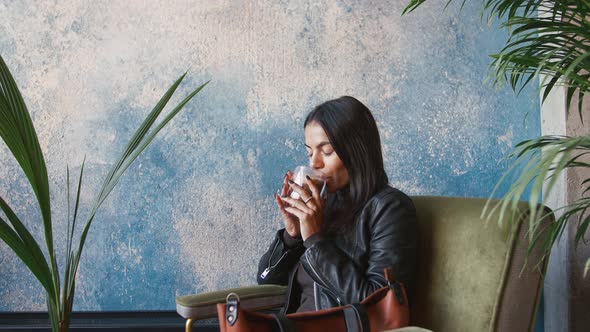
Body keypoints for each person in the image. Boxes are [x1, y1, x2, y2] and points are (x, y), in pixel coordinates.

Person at [257, 96, 418, 313]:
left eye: (327, 152)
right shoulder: (322, 208)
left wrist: (315, 241)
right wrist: (292, 235)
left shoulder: (390, 209)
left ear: (356, 150)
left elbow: (380, 306)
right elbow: (266, 282)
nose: (314, 163)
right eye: (309, 152)